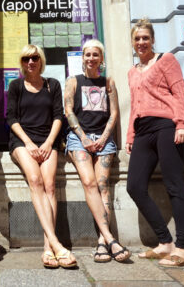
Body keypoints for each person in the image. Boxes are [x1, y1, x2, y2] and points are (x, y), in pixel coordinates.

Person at [126, 18, 184, 267]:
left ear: (152, 40)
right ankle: (165, 242)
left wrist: (182, 123)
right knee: (134, 186)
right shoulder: (132, 72)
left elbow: (179, 91)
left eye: (145, 37)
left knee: (174, 185)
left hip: (166, 126)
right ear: (133, 43)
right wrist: (130, 136)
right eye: (137, 39)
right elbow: (135, 106)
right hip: (143, 130)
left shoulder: (166, 60)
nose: (141, 42)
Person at [6, 44, 77, 269]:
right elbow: (11, 118)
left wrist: (47, 142)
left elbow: (58, 116)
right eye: (26, 58)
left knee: (50, 186)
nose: (30, 62)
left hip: (48, 140)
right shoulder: (16, 85)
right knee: (35, 180)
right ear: (22, 62)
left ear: (41, 60)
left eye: (34, 58)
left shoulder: (52, 85)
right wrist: (27, 142)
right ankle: (57, 244)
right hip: (22, 141)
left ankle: (48, 248)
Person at [64, 39, 130, 263]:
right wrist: (84, 138)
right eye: (87, 54)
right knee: (90, 183)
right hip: (78, 139)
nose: (91, 58)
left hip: (103, 139)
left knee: (103, 186)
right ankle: (111, 237)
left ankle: (102, 242)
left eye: (95, 54)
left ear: (101, 58)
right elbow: (68, 111)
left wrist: (102, 138)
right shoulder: (73, 81)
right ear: (82, 58)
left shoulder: (108, 82)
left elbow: (113, 113)